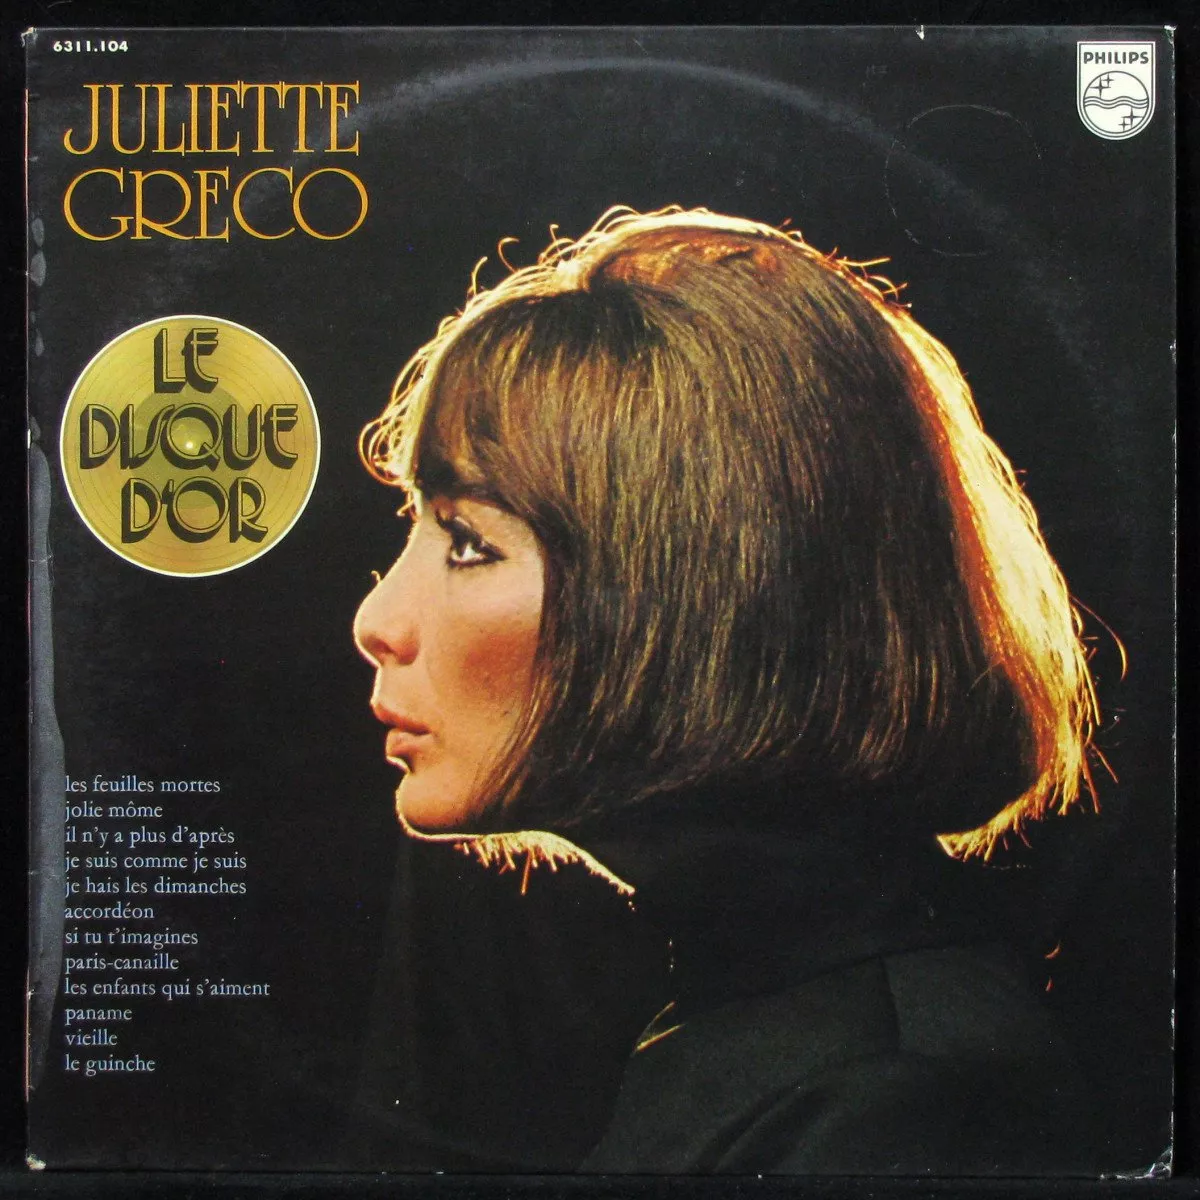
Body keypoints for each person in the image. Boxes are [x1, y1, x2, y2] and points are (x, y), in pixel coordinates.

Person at [352, 207, 1106, 1174]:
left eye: (467, 542)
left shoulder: (890, 1099)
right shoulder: (765, 1017)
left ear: (691, 593)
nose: (376, 620)